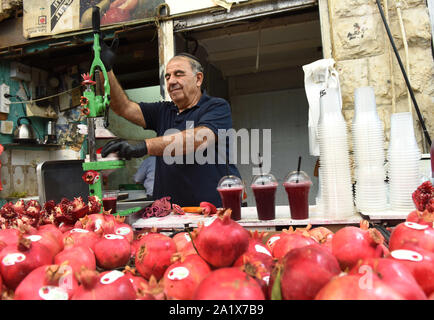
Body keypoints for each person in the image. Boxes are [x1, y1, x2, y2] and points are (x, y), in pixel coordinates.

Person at [99, 40, 241, 207]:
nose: (171, 81)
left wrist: (144, 146)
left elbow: (199, 138)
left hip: (214, 211)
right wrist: (105, 69)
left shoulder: (216, 107)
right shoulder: (163, 111)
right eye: (167, 76)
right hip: (170, 215)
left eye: (178, 74)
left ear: (198, 79)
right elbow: (123, 107)